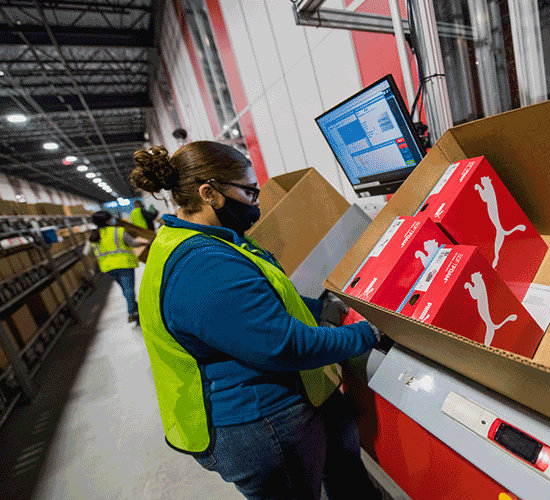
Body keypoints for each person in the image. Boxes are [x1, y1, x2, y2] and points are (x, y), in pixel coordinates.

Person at [130, 141, 382, 500]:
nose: (256, 201)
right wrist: (367, 332)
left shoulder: (196, 239)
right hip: (261, 426)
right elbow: (285, 346)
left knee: (347, 477)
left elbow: (256, 305)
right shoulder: (203, 265)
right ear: (209, 193)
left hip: (285, 405)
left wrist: (318, 310)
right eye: (248, 191)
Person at [85, 211, 148, 323]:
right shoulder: (117, 231)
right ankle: (132, 312)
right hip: (123, 263)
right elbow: (133, 243)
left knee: (125, 289)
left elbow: (86, 252)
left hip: (108, 266)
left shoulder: (94, 236)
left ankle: (133, 306)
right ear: (107, 220)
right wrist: (146, 242)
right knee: (128, 288)